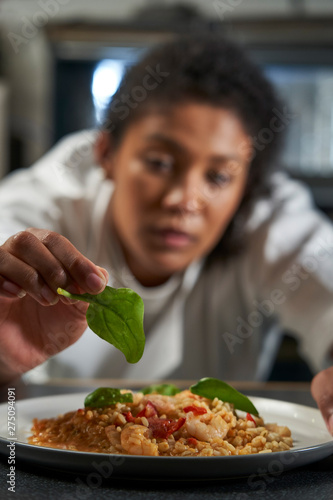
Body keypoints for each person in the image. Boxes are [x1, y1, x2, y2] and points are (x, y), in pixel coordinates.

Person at [0, 34, 333, 433]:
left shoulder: (270, 217)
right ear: (106, 154)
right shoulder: (50, 199)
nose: (183, 199)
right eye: (159, 162)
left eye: (218, 176)